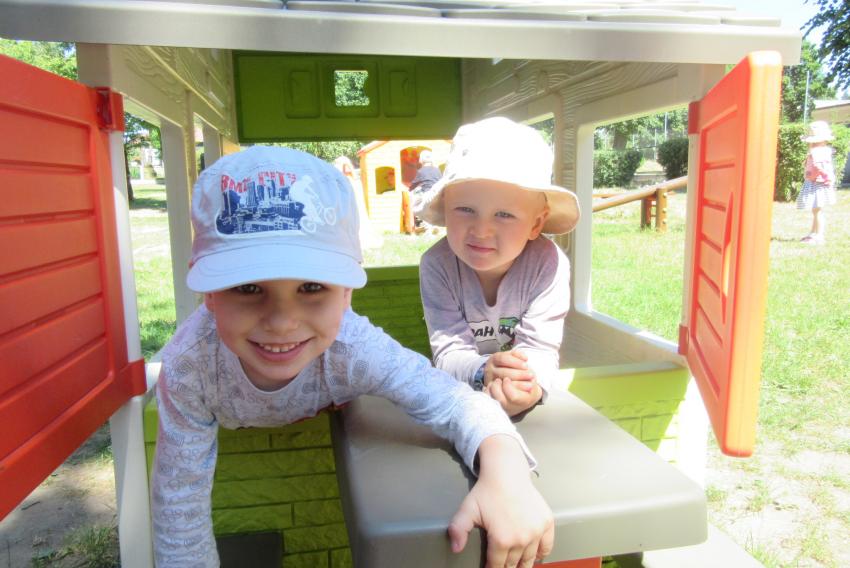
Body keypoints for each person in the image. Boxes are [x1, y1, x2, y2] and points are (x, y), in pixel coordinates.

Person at [151, 146, 554, 567]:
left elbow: (453, 401)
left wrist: (507, 473)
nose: (282, 322)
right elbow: (179, 511)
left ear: (346, 294)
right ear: (208, 293)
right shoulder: (190, 368)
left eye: (311, 287)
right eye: (248, 288)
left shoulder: (353, 349)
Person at [419, 117, 580, 417]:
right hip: (460, 400)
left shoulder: (548, 264)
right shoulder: (437, 265)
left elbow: (540, 349)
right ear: (445, 209)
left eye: (504, 214)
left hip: (520, 387)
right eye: (465, 209)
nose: (482, 230)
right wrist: (484, 370)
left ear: (536, 224)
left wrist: (530, 387)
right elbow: (449, 351)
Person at [797, 121, 837, 244]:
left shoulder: (817, 152)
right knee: (816, 210)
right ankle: (813, 233)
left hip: (817, 184)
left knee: (817, 211)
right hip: (817, 184)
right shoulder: (823, 150)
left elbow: (818, 166)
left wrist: (826, 177)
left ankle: (819, 236)